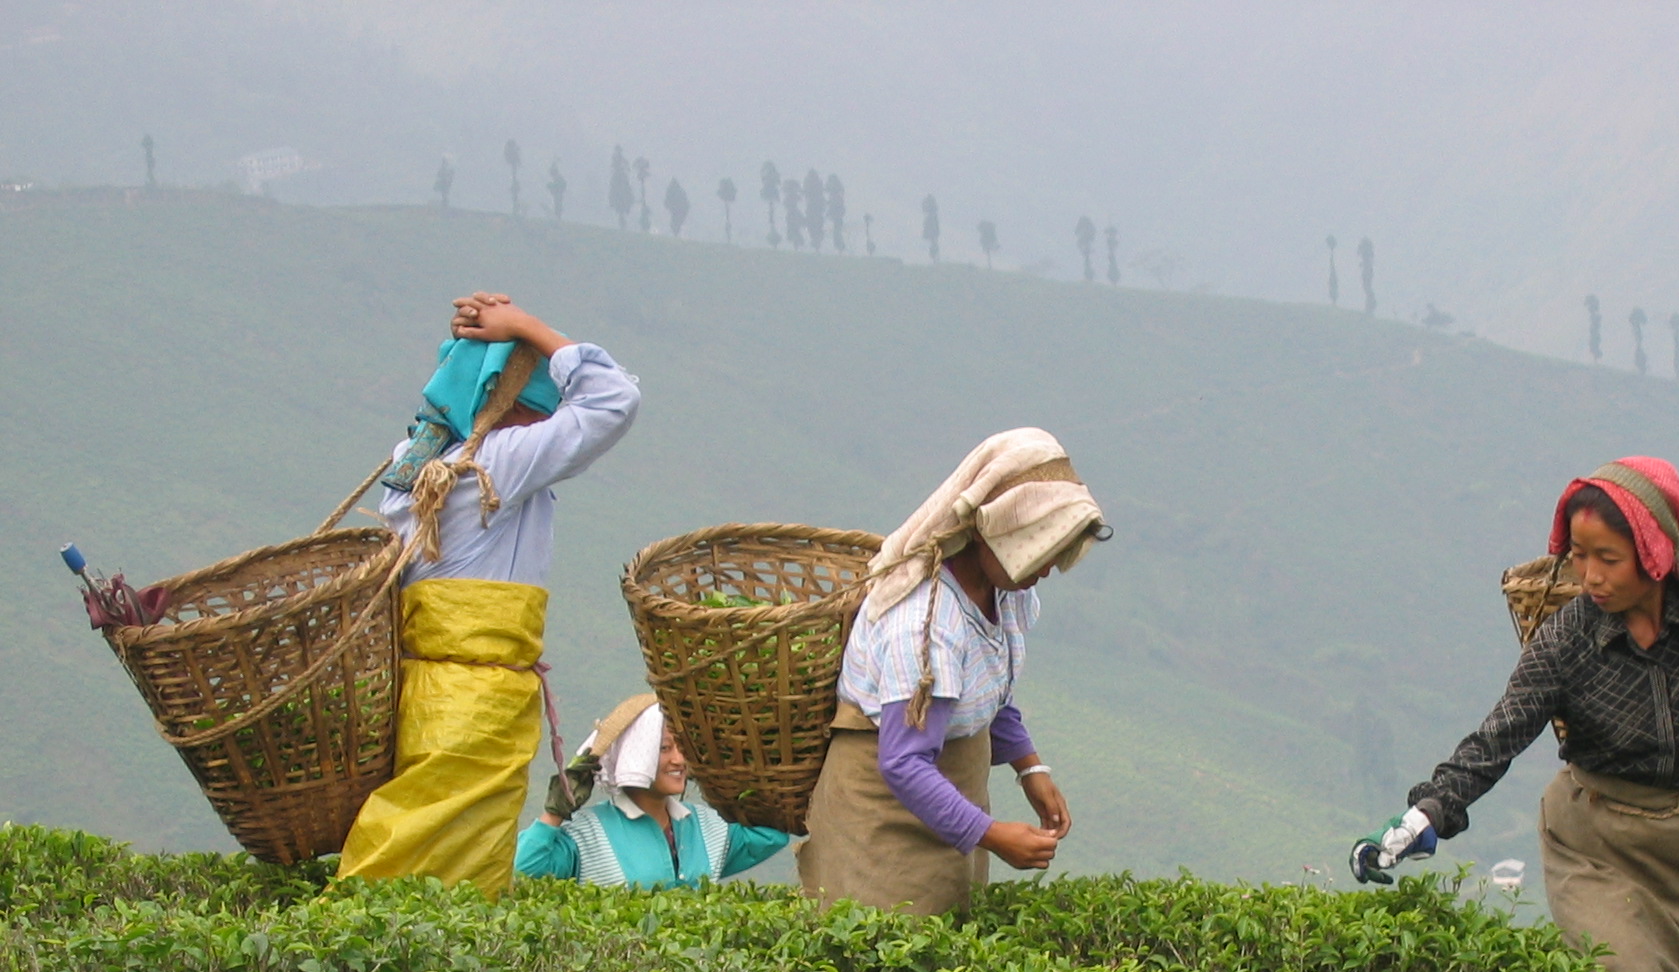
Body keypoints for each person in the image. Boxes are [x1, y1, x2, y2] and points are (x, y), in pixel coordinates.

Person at [1363, 457, 1679, 972]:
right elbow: (1500, 734)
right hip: (1597, 843)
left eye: (1608, 559)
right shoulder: (1569, 638)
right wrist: (1425, 813)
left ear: (1655, 554)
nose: (1589, 576)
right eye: (1579, 556)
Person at [338, 293, 640, 895]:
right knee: (447, 863)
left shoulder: (412, 469)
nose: (545, 423)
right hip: (477, 700)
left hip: (423, 689)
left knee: (416, 833)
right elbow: (613, 400)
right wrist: (526, 327)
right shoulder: (496, 463)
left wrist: (493, 337)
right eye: (535, 407)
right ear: (504, 404)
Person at [797, 428, 1108, 915]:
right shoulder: (924, 625)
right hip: (883, 817)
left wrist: (1029, 766)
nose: (1048, 569)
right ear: (994, 534)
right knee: (885, 953)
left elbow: (988, 688)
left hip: (950, 802)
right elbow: (902, 761)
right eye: (1042, 552)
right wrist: (992, 834)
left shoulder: (1002, 591)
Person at [514, 694, 790, 888]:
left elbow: (773, 833)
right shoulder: (587, 834)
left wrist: (722, 771)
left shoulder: (705, 825)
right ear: (635, 755)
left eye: (683, 747)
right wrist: (554, 813)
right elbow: (523, 871)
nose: (679, 759)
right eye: (664, 748)